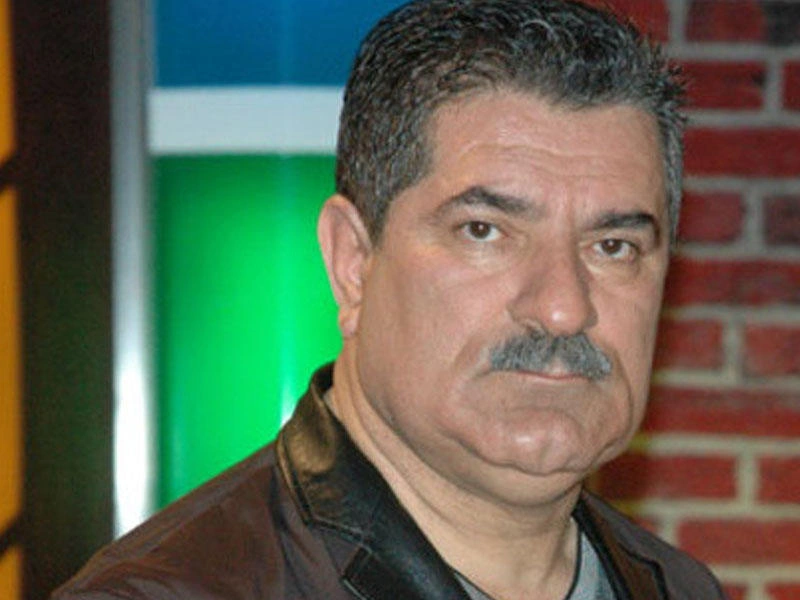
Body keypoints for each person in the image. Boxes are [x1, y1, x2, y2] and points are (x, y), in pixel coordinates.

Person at [54, 1, 728, 598]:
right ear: (352, 262)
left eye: (613, 246)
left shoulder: (681, 589)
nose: (562, 307)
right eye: (485, 231)